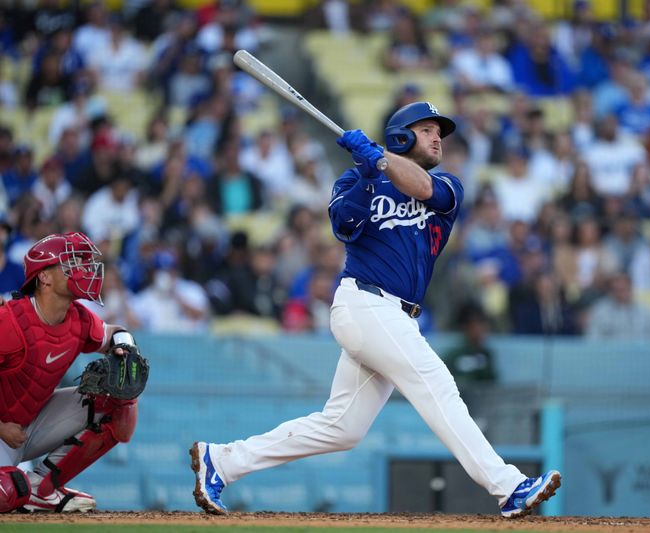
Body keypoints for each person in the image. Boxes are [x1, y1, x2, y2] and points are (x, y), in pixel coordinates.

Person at [190, 102, 561, 518]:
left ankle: (222, 461)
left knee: (342, 428)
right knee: (436, 383)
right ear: (402, 136)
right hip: (364, 303)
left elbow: (422, 189)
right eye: (426, 130)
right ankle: (508, 486)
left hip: (396, 317)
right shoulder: (355, 177)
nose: (438, 137)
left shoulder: (449, 186)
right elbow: (343, 228)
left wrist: (381, 161)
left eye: (439, 131)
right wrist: (367, 177)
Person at [0, 232, 139, 512]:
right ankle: (25, 488)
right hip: (3, 430)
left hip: (29, 425)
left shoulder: (78, 317)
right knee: (7, 491)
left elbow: (113, 333)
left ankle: (43, 488)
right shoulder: (10, 322)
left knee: (118, 402)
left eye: (84, 263)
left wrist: (125, 348)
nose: (85, 270)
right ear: (44, 277)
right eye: (72, 263)